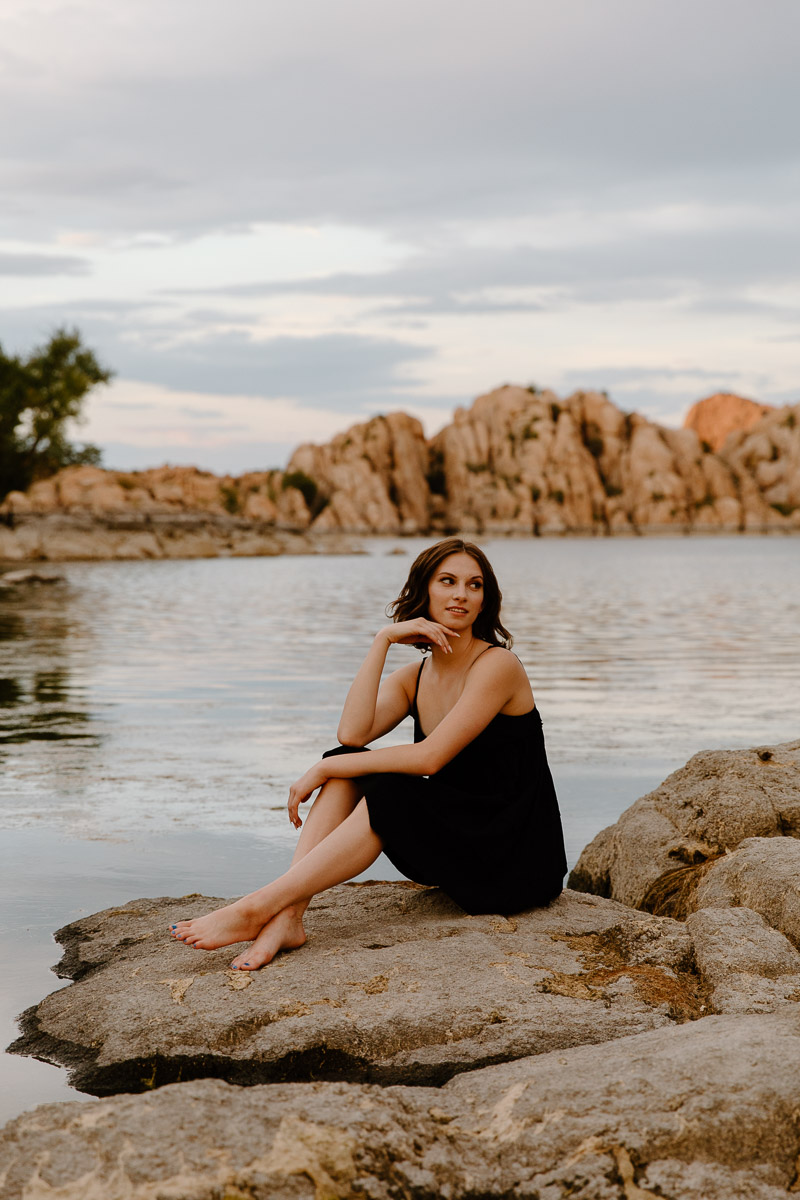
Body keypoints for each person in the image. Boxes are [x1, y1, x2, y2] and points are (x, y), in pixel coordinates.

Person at [170, 537, 566, 969]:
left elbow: (429, 759)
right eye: (447, 581)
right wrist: (382, 640)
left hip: (514, 856)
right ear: (424, 590)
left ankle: (256, 907)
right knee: (344, 762)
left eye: (474, 585)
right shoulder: (414, 677)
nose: (461, 594)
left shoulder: (498, 666)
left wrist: (324, 767)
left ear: (485, 599)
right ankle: (288, 916)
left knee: (377, 784)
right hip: (459, 840)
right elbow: (353, 733)